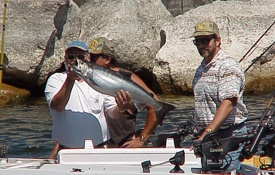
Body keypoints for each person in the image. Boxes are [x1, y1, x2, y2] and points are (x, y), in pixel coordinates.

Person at [44, 40, 136, 159]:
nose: (75, 61)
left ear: (88, 58)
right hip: (67, 152)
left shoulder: (99, 81)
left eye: (81, 57)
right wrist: (70, 79)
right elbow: (57, 106)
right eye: (71, 57)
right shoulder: (56, 79)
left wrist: (121, 107)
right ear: (65, 59)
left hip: (99, 149)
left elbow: (113, 114)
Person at [191, 21, 248, 172]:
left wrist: (207, 133)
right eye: (198, 42)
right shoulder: (201, 68)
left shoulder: (228, 66)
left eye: (206, 41)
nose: (202, 45)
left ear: (218, 40)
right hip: (207, 136)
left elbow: (229, 102)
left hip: (228, 134)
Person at [88, 37, 159, 148]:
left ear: (107, 59)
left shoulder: (126, 77)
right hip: (95, 146)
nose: (88, 60)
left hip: (122, 147)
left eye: (93, 57)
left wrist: (142, 139)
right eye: (88, 56)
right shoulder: (86, 78)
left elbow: (155, 105)